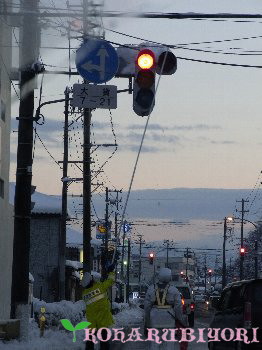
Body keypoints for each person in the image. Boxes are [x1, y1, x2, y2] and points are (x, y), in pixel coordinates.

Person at [144, 267, 188, 349]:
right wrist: (179, 319)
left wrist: (147, 321)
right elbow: (178, 307)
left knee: (154, 343)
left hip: (155, 319)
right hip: (169, 319)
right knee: (169, 344)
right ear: (169, 277)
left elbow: (147, 307)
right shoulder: (174, 290)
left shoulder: (151, 289)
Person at [82, 263, 115, 350]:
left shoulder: (84, 294)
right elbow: (111, 281)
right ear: (91, 280)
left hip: (92, 322)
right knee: (104, 342)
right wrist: (111, 272)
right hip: (102, 321)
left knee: (89, 343)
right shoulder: (100, 287)